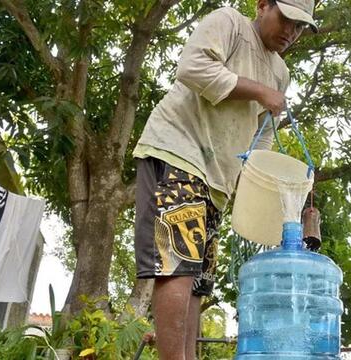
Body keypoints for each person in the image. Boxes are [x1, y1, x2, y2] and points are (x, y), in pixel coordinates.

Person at [132, 1, 317, 359]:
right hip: (177, 151)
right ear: (263, 5)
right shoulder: (229, 23)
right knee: (177, 269)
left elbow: (262, 135)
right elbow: (192, 67)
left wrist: (255, 178)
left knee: (198, 285)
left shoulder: (280, 72)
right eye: (287, 20)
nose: (291, 33)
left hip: (218, 182)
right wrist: (259, 91)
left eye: (299, 27)